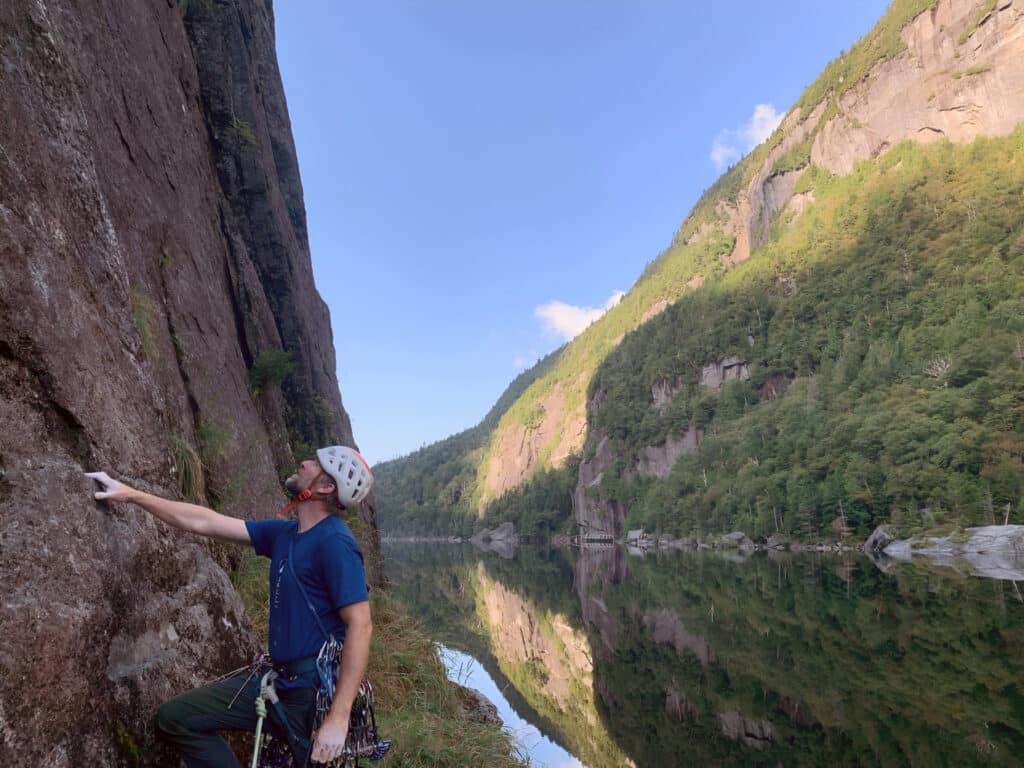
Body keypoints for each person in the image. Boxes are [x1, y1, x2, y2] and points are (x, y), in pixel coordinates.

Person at [86, 445, 374, 768]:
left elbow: (360, 625)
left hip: (309, 698)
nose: (304, 462)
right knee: (176, 717)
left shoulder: (335, 541)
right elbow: (204, 522)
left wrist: (339, 717)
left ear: (325, 486)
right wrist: (133, 495)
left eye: (316, 463)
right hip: (277, 683)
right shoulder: (284, 534)